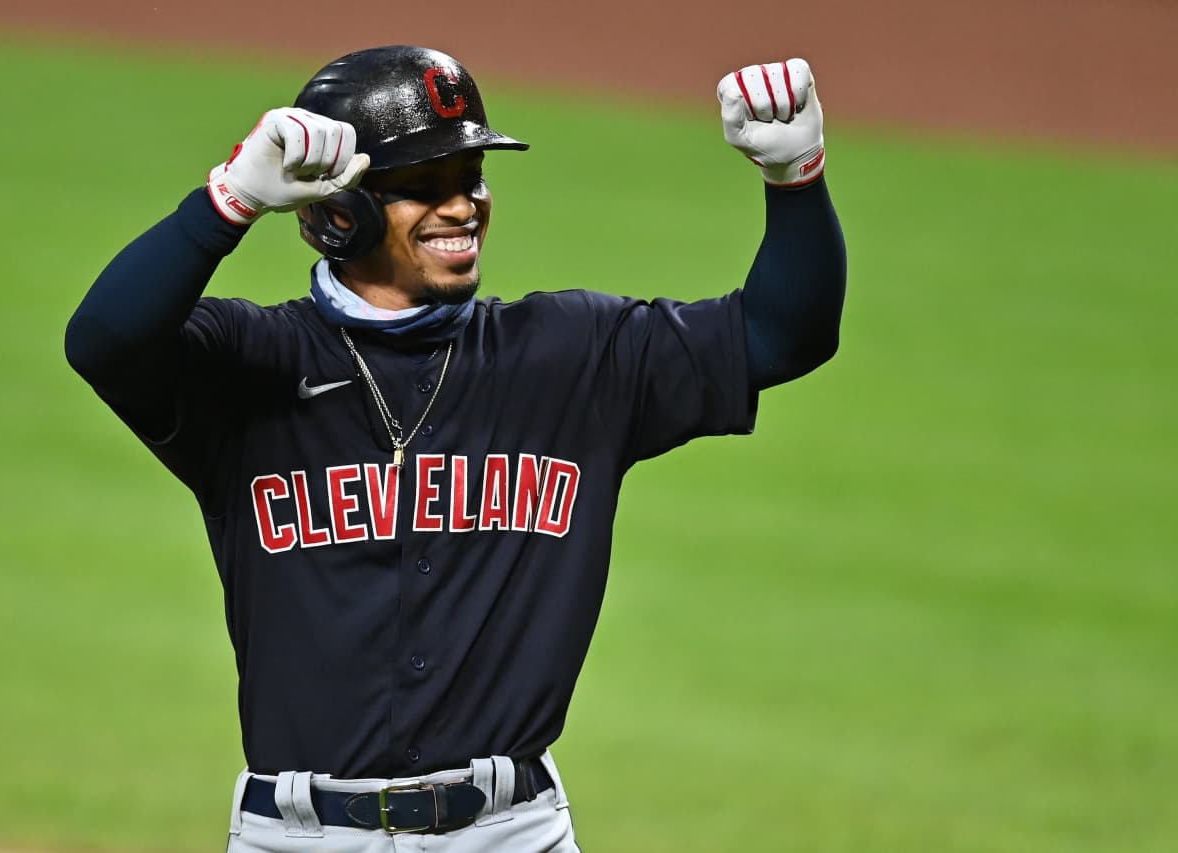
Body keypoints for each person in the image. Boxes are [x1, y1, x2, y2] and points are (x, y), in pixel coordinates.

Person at [66, 45, 845, 851]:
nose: (463, 206)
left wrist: (796, 179)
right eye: (424, 187)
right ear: (341, 212)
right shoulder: (248, 366)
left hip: (511, 832)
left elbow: (781, 333)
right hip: (298, 836)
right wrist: (224, 201)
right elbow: (103, 341)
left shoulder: (570, 357)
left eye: (471, 178)